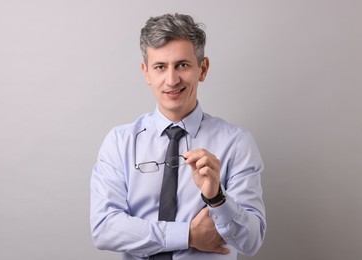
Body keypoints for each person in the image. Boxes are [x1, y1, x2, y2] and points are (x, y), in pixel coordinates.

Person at [90, 13, 266, 260]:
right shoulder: (120, 142)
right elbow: (105, 229)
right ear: (146, 73)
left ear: (202, 69)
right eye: (160, 67)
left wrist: (217, 198)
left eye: (182, 65)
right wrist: (188, 235)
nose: (171, 80)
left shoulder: (236, 143)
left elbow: (251, 241)